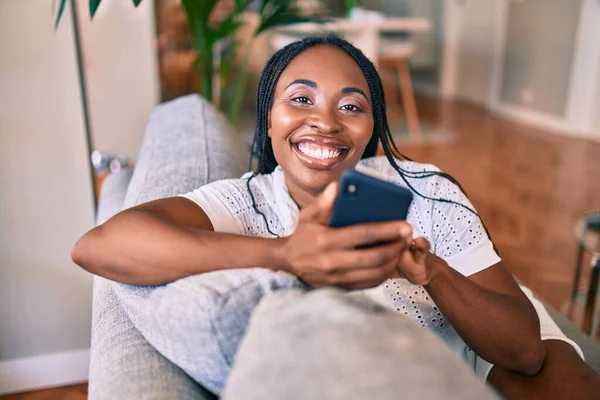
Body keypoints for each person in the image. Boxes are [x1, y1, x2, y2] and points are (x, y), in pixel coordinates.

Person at [72, 35, 600, 398]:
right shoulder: (245, 202)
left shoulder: (425, 190)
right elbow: (98, 246)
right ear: (269, 119)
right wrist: (283, 253)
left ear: (371, 128)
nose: (324, 122)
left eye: (351, 106)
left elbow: (526, 351)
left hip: (470, 359)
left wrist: (430, 272)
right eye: (300, 99)